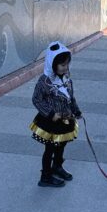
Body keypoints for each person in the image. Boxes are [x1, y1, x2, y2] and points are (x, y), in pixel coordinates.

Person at [30, 41, 82, 187]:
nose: (66, 68)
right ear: (52, 64)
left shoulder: (67, 79)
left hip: (66, 120)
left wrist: (76, 110)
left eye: (67, 64)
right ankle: (45, 177)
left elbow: (71, 98)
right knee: (50, 149)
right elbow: (36, 100)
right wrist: (51, 113)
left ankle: (57, 167)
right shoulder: (44, 81)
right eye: (62, 65)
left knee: (61, 146)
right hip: (51, 122)